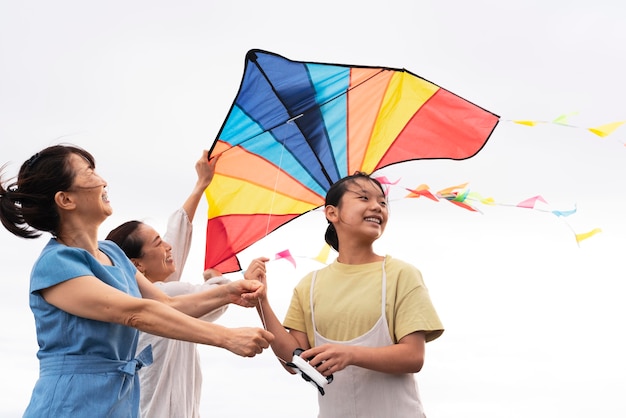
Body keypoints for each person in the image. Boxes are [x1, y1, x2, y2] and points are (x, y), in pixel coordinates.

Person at [0, 144, 274, 417]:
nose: (103, 181)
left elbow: (168, 304)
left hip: (121, 401)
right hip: (70, 404)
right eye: (89, 173)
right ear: (66, 200)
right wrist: (225, 337)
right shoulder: (56, 264)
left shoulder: (113, 253)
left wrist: (229, 293)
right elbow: (135, 312)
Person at [252, 172, 444, 417]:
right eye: (364, 198)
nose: (377, 206)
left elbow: (413, 356)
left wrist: (351, 354)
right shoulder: (308, 286)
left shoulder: (401, 274)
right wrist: (260, 300)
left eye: (383, 202)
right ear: (332, 213)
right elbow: (294, 361)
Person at [106, 150, 270, 418]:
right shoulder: (161, 296)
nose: (169, 246)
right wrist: (239, 282)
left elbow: (177, 236)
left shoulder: (134, 295)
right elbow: (209, 298)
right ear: (137, 265)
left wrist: (201, 185)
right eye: (158, 243)